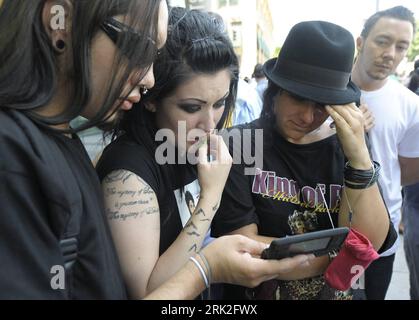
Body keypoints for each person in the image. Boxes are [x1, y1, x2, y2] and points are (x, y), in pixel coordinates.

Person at [0, 0, 311, 299]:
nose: (148, 77)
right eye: (139, 49)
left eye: (219, 105)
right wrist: (206, 265)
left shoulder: (63, 143)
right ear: (60, 23)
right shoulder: (16, 155)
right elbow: (147, 290)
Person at [96, 7, 310, 300]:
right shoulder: (128, 173)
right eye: (192, 107)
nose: (210, 124)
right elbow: (148, 291)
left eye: (220, 103)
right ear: (152, 99)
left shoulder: (190, 149)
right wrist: (210, 199)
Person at [211, 20, 395, 300]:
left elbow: (370, 240)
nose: (308, 117)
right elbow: (243, 247)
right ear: (275, 90)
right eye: (298, 98)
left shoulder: (348, 143)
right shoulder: (240, 143)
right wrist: (341, 256)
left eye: (322, 105)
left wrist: (359, 156)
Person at [351, 6, 419, 300]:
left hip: (381, 238)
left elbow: (407, 170)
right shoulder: (323, 90)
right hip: (325, 229)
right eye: (382, 41)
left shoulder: (409, 104)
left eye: (401, 46)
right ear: (360, 42)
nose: (391, 53)